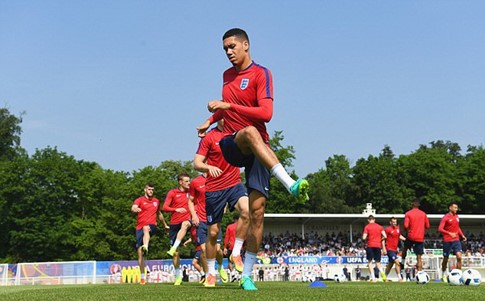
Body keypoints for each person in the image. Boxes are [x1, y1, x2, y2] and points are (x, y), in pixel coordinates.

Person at [196, 27, 309, 291]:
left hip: (259, 148)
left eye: (232, 46)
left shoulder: (261, 73)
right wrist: (210, 120)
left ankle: (246, 275)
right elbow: (228, 108)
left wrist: (228, 107)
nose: (228, 52)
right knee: (247, 132)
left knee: (257, 215)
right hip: (232, 144)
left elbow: (266, 113)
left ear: (246, 45)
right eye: (225, 48)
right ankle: (289, 182)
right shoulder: (227, 76)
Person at [193, 120, 250, 288]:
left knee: (247, 211)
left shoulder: (237, 132)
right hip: (214, 190)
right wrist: (208, 168)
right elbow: (197, 163)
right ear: (217, 118)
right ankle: (210, 272)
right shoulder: (209, 137)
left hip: (234, 184)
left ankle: (236, 253)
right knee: (213, 232)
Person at [188, 172, 229, 285]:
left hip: (215, 220)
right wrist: (194, 215)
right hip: (201, 221)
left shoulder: (219, 178)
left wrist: (224, 206)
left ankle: (220, 267)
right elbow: (190, 201)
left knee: (217, 250)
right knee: (204, 251)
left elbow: (224, 195)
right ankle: (209, 275)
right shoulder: (195, 182)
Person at [131, 183, 169, 285]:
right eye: (149, 189)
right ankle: (143, 277)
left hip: (152, 226)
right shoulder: (140, 200)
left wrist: (165, 225)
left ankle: (146, 246)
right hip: (139, 227)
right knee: (139, 253)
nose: (151, 191)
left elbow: (159, 214)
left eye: (152, 189)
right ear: (145, 190)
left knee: (146, 228)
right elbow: (133, 207)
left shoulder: (156, 201)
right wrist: (136, 209)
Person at [163, 173, 192, 286]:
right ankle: (178, 275)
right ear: (180, 182)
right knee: (175, 254)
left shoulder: (192, 192)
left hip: (188, 221)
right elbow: (165, 207)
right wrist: (176, 209)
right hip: (174, 224)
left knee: (185, 224)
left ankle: (208, 274)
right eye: (186, 181)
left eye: (189, 181)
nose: (189, 183)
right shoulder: (173, 193)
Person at [438, 201, 467, 282]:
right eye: (455, 207)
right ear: (450, 208)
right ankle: (443, 274)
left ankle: (459, 275)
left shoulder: (457, 217)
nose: (456, 209)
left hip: (456, 240)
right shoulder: (445, 217)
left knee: (459, 257)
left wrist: (462, 235)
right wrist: (449, 233)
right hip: (447, 240)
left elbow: (457, 228)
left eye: (457, 208)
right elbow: (440, 229)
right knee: (446, 258)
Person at [401, 198, 430, 272]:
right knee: (419, 257)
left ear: (412, 204)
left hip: (411, 236)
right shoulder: (423, 214)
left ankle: (402, 262)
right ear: (419, 205)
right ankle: (419, 273)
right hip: (420, 237)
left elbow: (406, 225)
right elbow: (427, 226)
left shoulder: (408, 214)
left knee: (405, 249)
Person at [362, 215, 387, 282]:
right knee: (378, 262)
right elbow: (385, 236)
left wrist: (368, 238)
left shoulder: (367, 227)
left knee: (370, 262)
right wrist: (379, 239)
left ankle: (373, 278)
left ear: (368, 220)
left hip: (370, 245)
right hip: (378, 245)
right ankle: (383, 275)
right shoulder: (379, 227)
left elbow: (364, 237)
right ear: (374, 219)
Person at [383, 217, 406, 282]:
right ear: (390, 222)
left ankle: (385, 277)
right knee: (397, 261)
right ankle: (400, 278)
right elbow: (383, 239)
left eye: (395, 222)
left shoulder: (398, 229)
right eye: (393, 222)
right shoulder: (387, 230)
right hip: (389, 249)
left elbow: (399, 236)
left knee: (390, 264)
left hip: (395, 249)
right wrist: (384, 248)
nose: (394, 223)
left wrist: (406, 240)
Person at [223, 214, 241, 282]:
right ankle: (239, 275)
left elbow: (227, 237)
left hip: (231, 245)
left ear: (234, 219)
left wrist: (225, 247)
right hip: (239, 246)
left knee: (230, 261)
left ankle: (233, 273)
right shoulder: (242, 227)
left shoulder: (229, 227)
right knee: (238, 261)